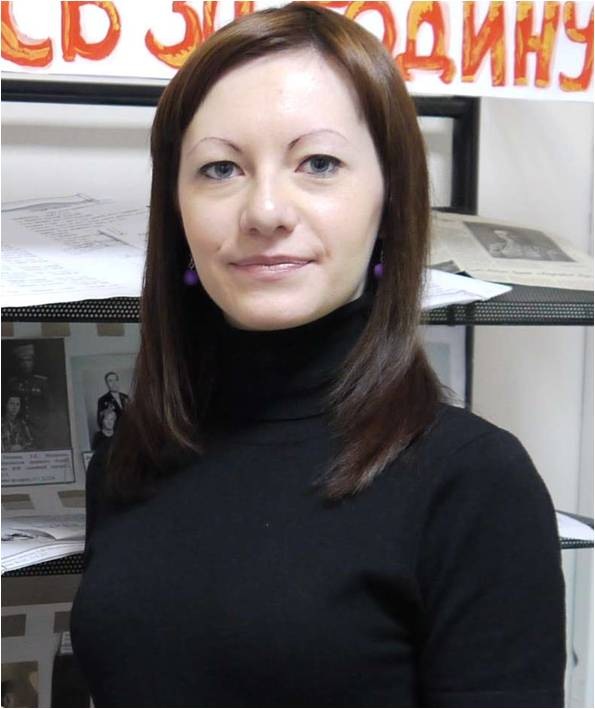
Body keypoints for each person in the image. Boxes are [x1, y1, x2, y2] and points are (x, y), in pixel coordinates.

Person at [69, 3, 566, 707]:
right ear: (176, 209)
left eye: (319, 163)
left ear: (389, 200)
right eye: (220, 168)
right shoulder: (129, 459)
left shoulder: (473, 483)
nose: (265, 211)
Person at [6, 342, 52, 448]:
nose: (26, 364)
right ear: (18, 363)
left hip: (39, 429)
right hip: (18, 429)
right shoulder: (12, 384)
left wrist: (45, 427)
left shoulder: (42, 382)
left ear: (33, 362)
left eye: (29, 360)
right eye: (22, 361)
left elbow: (50, 408)